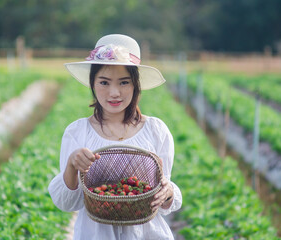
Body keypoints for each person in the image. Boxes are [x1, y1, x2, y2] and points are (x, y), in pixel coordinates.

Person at [48, 34, 182, 240]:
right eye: (104, 82)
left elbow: (164, 199)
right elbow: (68, 203)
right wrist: (72, 165)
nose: (114, 93)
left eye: (124, 82)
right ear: (92, 84)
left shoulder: (156, 130)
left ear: (135, 85)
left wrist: (168, 192)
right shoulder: (77, 132)